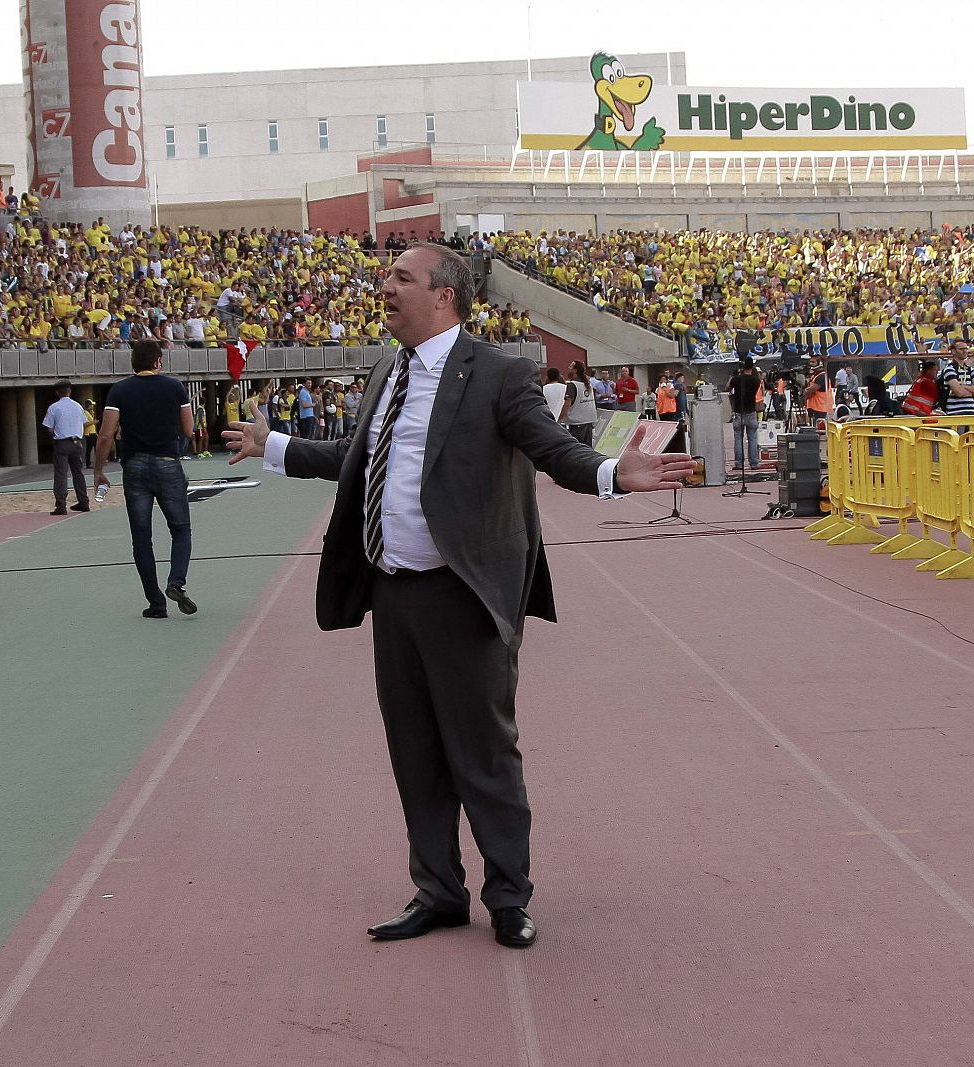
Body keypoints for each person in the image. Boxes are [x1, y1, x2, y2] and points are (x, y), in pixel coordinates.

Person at [222, 243, 691, 949]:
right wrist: (275, 445)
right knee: (415, 752)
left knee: (485, 755)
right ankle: (438, 891)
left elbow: (551, 449)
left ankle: (508, 898)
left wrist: (609, 473)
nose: (385, 287)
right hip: (395, 594)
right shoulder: (388, 369)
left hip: (463, 597)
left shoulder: (498, 374)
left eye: (399, 278)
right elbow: (358, 458)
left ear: (444, 296)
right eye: (387, 278)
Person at [95, 340, 198, 619]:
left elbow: (106, 435)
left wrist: (99, 470)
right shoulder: (174, 387)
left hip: (135, 465)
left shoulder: (119, 391)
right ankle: (176, 582)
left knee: (142, 537)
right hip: (167, 462)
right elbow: (189, 429)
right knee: (180, 529)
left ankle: (156, 604)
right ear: (157, 362)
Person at [42, 379, 90, 515]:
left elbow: (49, 428)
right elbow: (84, 422)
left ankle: (61, 505)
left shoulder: (54, 407)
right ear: (70, 391)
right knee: (78, 473)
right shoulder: (78, 406)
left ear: (57, 392)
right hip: (77, 442)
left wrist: (55, 437)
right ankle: (83, 501)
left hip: (62, 442)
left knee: (61, 474)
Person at [727, 358, 762, 470]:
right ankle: (754, 463)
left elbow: (728, 387)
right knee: (752, 438)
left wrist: (733, 376)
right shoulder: (756, 380)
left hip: (738, 412)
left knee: (738, 438)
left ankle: (739, 463)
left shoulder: (737, 379)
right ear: (752, 367)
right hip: (751, 411)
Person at [564, 361, 598, 446]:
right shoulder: (588, 384)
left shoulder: (572, 385)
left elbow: (567, 405)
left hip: (576, 423)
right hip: (589, 421)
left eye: (570, 367)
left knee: (576, 449)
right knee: (587, 449)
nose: (568, 368)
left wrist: (560, 418)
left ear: (575, 370)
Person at [939, 338, 974, 416]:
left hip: (971, 413)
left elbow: (959, 391)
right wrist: (970, 390)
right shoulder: (949, 369)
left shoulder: (970, 370)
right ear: (953, 351)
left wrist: (962, 386)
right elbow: (959, 392)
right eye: (961, 349)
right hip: (956, 414)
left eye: (966, 348)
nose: (965, 351)